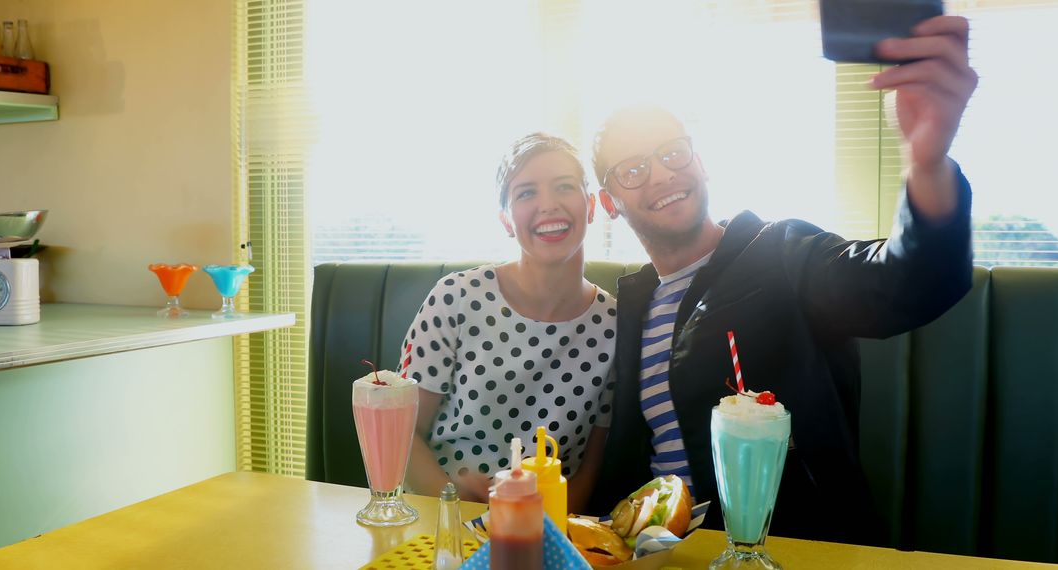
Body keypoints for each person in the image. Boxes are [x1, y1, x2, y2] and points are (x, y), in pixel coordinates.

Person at [588, 16, 978, 546]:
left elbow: (905, 284)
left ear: (699, 162)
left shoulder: (783, 252)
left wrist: (926, 161)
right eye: (631, 170)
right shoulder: (630, 305)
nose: (660, 175)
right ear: (609, 202)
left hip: (787, 547)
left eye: (672, 154)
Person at [401, 133, 616, 510]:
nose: (548, 205)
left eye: (564, 187)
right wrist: (453, 500)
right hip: (443, 518)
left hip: (549, 533)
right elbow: (401, 431)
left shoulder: (615, 325)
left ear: (591, 206)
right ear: (506, 220)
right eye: (526, 193)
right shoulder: (455, 296)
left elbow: (587, 474)